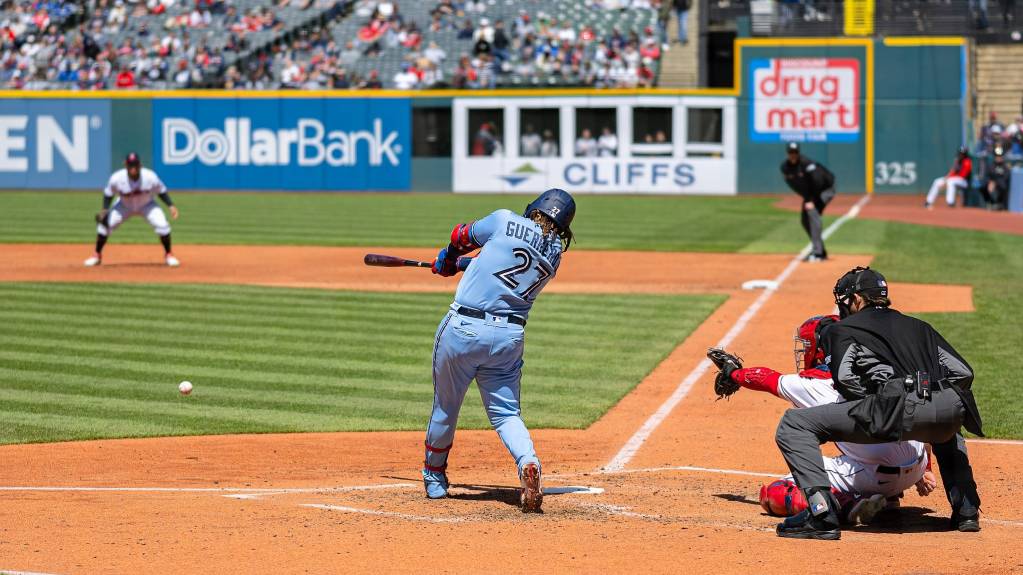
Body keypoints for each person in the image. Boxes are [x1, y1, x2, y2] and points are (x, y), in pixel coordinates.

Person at [773, 267, 984, 540]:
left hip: (893, 408)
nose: (843, 307)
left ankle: (821, 514)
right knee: (946, 428)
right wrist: (934, 396)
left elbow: (846, 379)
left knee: (794, 424)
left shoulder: (844, 328)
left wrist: (877, 400)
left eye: (845, 301)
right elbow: (964, 373)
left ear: (858, 299)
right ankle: (967, 511)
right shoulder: (921, 326)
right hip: (947, 406)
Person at [422, 189, 576, 513]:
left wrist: (449, 258)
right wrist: (462, 265)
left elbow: (460, 235)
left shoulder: (505, 219)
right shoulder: (554, 255)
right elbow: (504, 267)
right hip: (508, 338)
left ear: (534, 208)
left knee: (446, 408)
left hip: (463, 330)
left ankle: (434, 480)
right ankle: (528, 462)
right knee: (506, 414)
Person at [719, 315, 934, 524]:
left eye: (807, 345)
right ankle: (888, 497)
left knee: (778, 490)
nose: (804, 351)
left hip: (876, 477)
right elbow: (921, 417)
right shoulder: (884, 369)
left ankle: (848, 505)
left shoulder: (811, 384)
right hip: (918, 463)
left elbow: (766, 378)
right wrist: (926, 469)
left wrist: (733, 373)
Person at [84, 153, 180, 267]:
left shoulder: (150, 176)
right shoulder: (116, 178)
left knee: (163, 225)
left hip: (147, 205)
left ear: (140, 165)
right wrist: (105, 209)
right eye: (130, 165)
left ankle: (169, 254)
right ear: (125, 165)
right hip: (124, 206)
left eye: (135, 165)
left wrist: (170, 205)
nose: (133, 168)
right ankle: (96, 255)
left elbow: (161, 191)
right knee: (104, 226)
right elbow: (108, 194)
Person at [780, 142, 835, 262]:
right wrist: (807, 197)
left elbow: (818, 181)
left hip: (825, 189)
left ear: (798, 153)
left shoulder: (806, 163)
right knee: (805, 220)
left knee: (812, 213)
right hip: (811, 192)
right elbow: (795, 185)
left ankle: (818, 253)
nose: (793, 155)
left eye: (795, 152)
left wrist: (811, 200)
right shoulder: (785, 167)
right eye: (791, 152)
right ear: (787, 153)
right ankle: (820, 249)